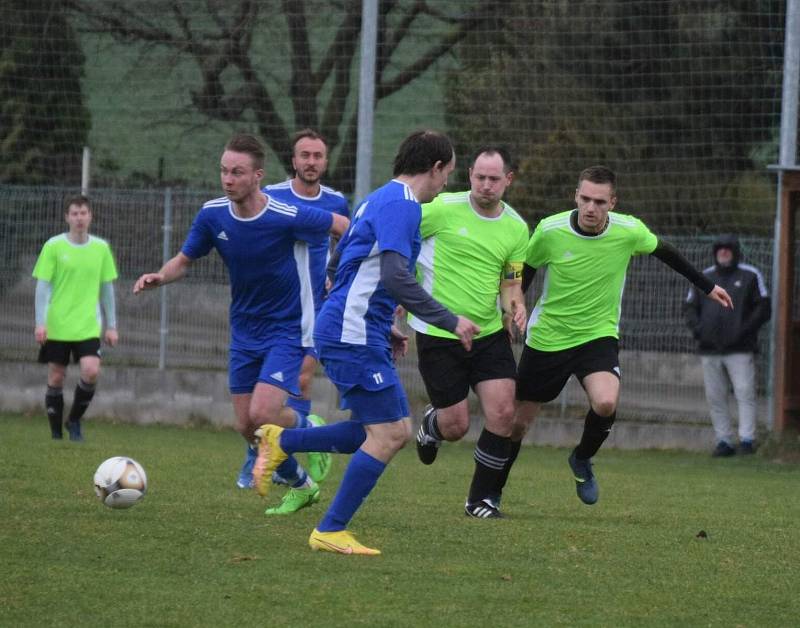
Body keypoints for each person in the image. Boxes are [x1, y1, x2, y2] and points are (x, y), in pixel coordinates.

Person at [252, 130, 480, 555]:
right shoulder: (404, 206)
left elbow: (344, 265)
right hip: (351, 332)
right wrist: (449, 320)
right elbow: (395, 275)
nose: (446, 182)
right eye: (447, 173)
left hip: (354, 327)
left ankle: (281, 440)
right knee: (393, 432)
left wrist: (382, 322)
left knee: (370, 430)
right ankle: (330, 529)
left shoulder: (378, 198)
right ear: (434, 168)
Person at [133, 133, 349, 514]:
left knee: (263, 414)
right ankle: (303, 484)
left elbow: (343, 225)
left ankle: (308, 427)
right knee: (246, 427)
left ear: (257, 176)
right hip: (244, 331)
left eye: (237, 172)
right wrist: (159, 276)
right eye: (224, 171)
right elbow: (184, 259)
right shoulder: (212, 214)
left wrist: (350, 271)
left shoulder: (285, 215)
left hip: (286, 328)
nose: (227, 179)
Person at [501, 165, 733, 506]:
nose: (591, 208)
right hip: (549, 336)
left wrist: (707, 285)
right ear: (575, 197)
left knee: (607, 402)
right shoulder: (550, 231)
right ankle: (491, 493)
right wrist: (514, 309)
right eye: (585, 199)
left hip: (598, 334)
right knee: (517, 424)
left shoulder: (629, 231)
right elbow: (527, 271)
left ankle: (581, 458)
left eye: (599, 201)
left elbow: (666, 251)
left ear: (613, 202)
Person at [410, 145, 529, 519]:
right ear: (471, 176)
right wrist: (402, 288)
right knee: (456, 425)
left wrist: (517, 306)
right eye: (479, 177)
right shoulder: (442, 208)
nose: (486, 185)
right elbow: (399, 237)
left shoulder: (516, 227)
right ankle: (433, 424)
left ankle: (481, 499)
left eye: (494, 179)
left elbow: (510, 284)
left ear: (507, 180)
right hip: (439, 332)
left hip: (489, 332)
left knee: (504, 412)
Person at [263, 129, 349, 481]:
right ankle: (288, 444)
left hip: (316, 308)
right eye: (305, 155)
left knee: (299, 381)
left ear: (325, 161)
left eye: (317, 156)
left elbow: (350, 245)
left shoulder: (335, 202)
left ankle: (283, 457)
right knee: (262, 387)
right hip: (272, 308)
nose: (311, 162)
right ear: (294, 160)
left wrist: (336, 275)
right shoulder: (271, 196)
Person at [33, 194, 119, 441]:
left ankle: (74, 421)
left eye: (83, 213)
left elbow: (107, 289)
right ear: (67, 217)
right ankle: (56, 435)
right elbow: (42, 287)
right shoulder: (53, 246)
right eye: (74, 213)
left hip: (88, 325)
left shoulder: (101, 248)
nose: (79, 218)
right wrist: (41, 322)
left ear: (90, 216)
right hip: (57, 324)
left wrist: (112, 325)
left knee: (91, 371)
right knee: (56, 376)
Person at [683, 234, 770, 456]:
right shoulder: (704, 277)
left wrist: (743, 332)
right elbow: (690, 307)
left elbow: (763, 308)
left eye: (727, 249)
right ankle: (724, 441)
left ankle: (747, 440)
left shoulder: (750, 275)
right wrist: (700, 331)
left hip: (740, 349)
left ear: (735, 252)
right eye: (719, 249)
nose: (723, 252)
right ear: (715, 252)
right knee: (715, 396)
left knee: (744, 392)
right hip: (709, 349)